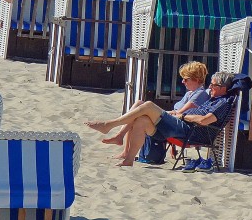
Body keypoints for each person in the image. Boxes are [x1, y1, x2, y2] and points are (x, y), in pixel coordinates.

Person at [86, 71, 237, 170]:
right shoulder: (213, 98)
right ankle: (129, 159)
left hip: (189, 131)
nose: (210, 87)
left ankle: (109, 125)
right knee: (142, 120)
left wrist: (182, 116)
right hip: (182, 125)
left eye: (213, 85)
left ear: (223, 88)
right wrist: (177, 115)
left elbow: (204, 120)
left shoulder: (223, 103)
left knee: (148, 105)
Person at [97, 61, 210, 165]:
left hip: (180, 127)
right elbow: (176, 113)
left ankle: (112, 128)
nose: (182, 82)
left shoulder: (200, 94)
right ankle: (128, 156)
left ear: (196, 79)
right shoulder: (190, 93)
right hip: (175, 125)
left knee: (146, 105)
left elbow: (179, 114)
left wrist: (159, 111)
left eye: (186, 79)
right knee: (140, 115)